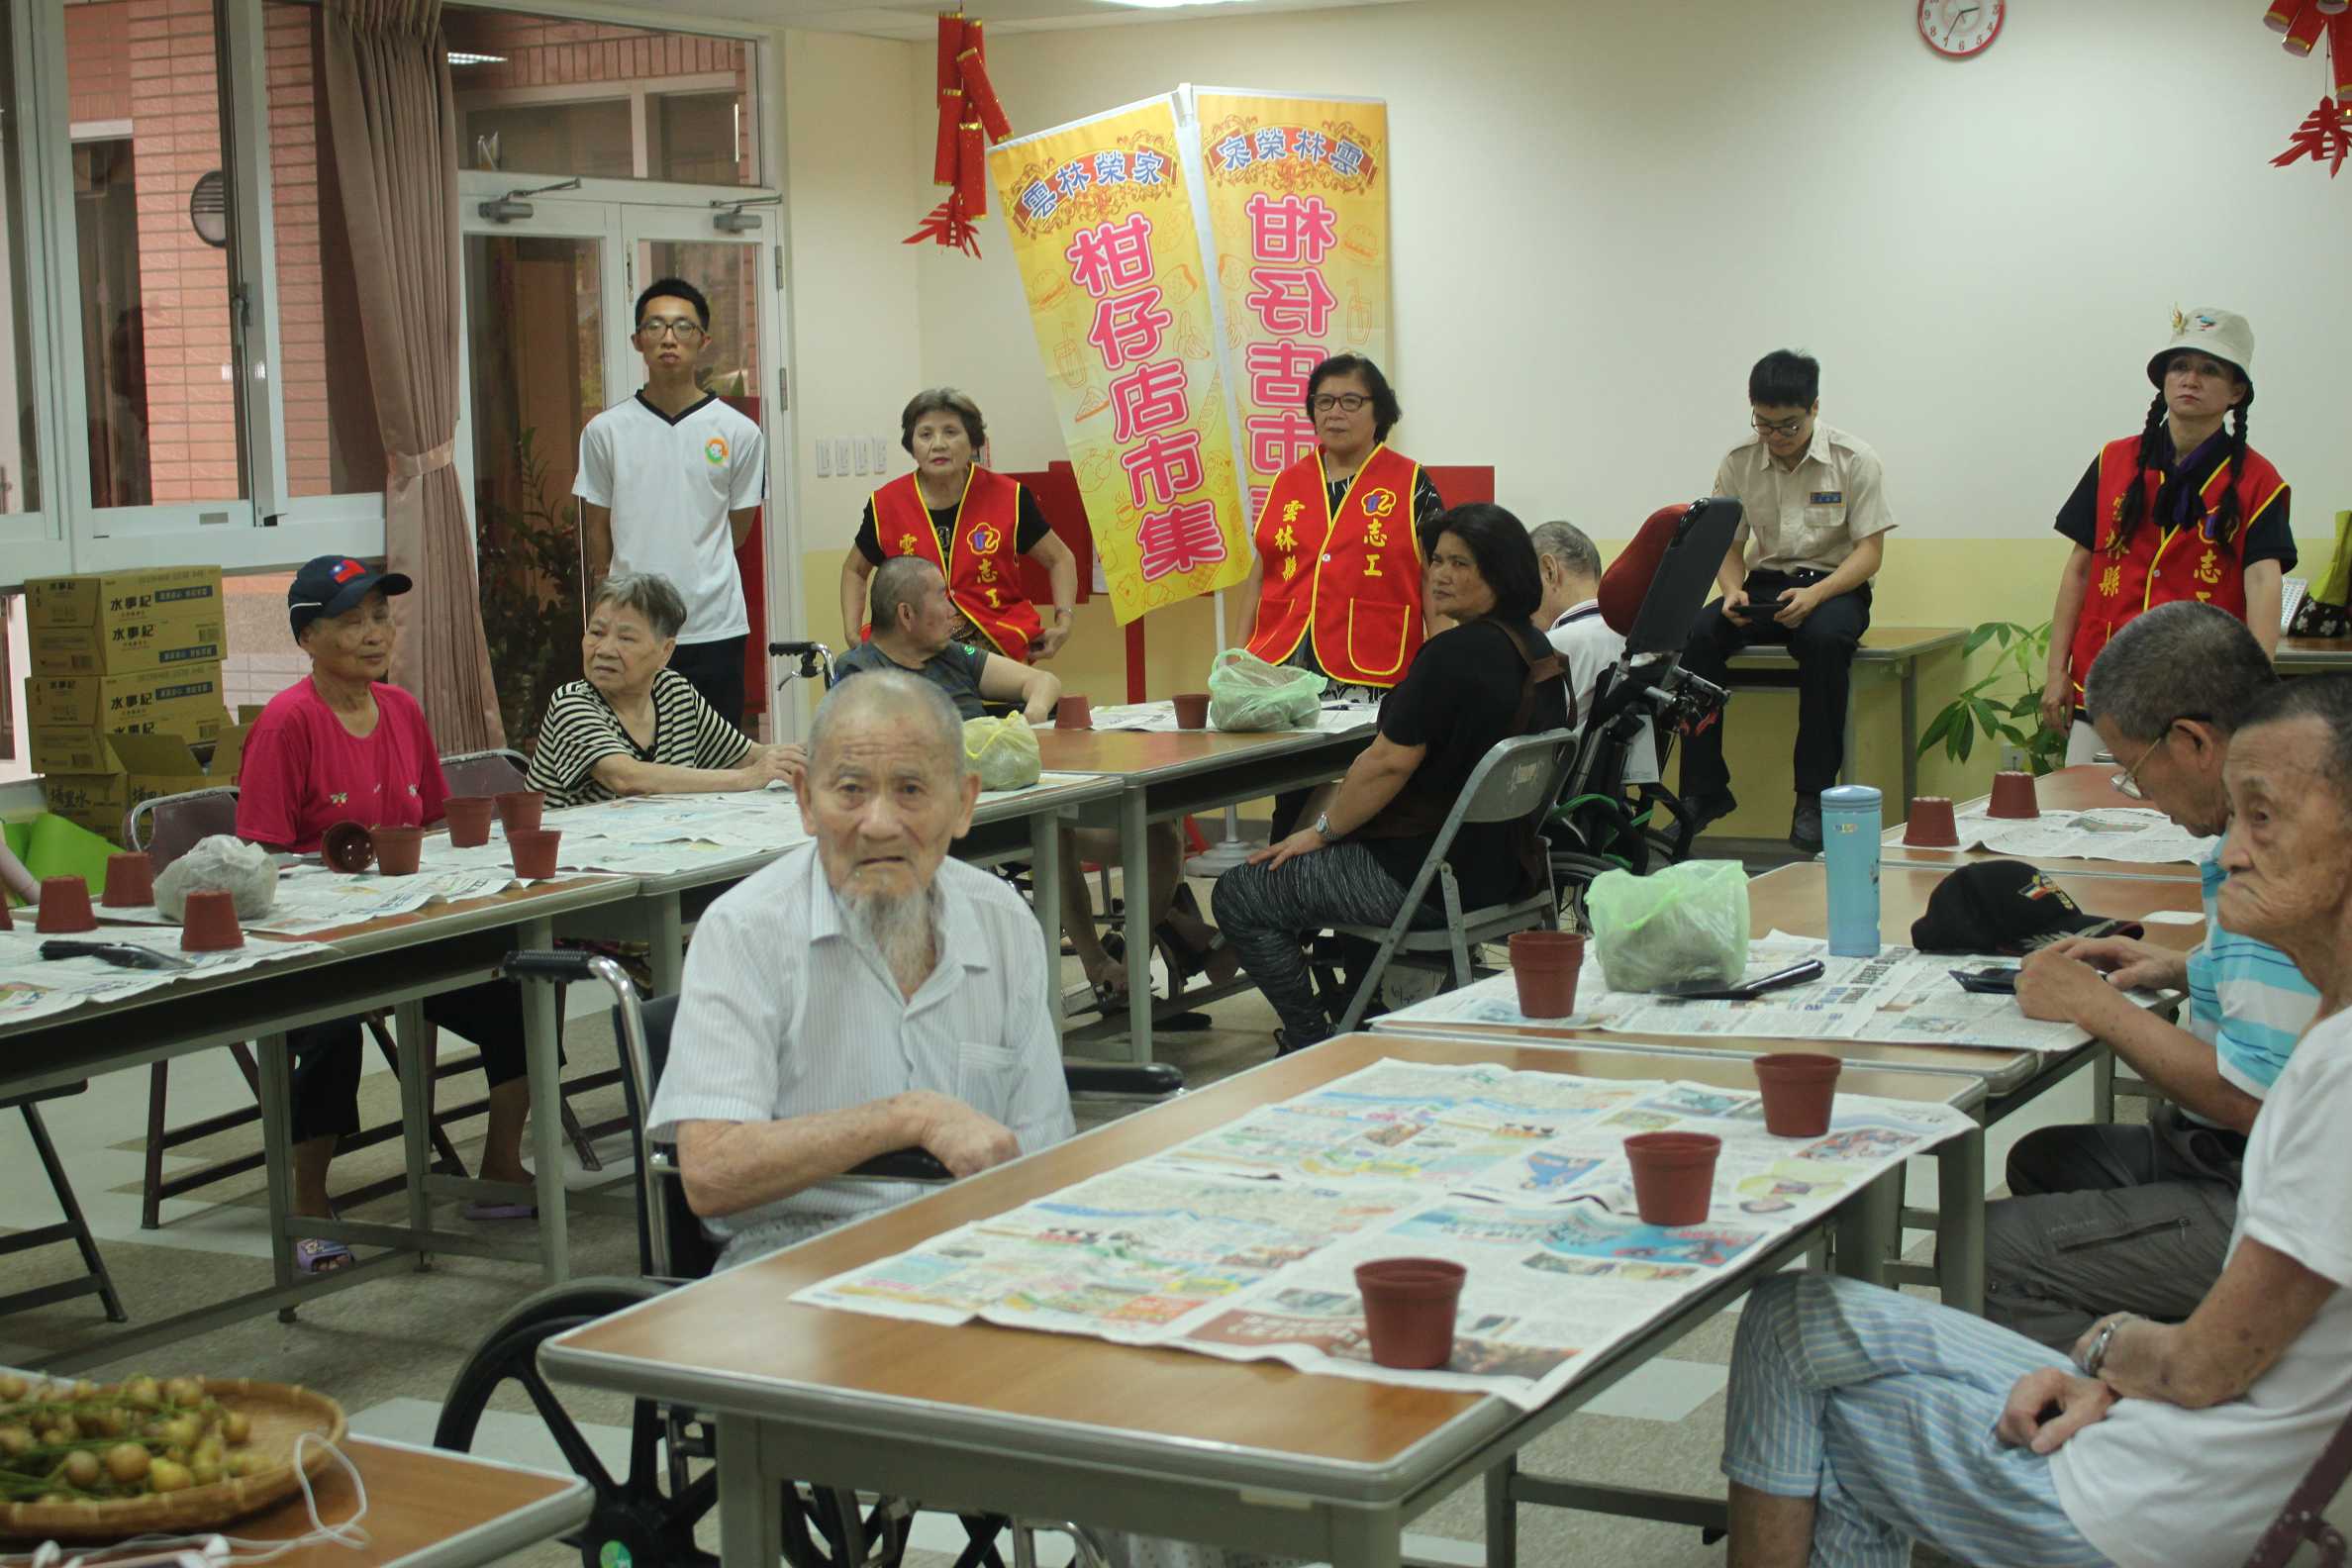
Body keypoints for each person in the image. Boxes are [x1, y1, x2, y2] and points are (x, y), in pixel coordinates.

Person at [1720, 674, 2352, 1568]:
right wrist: (2125, 1378)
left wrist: (2100, 1350)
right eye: (2232, 816)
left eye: (2263, 818)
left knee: (1799, 1352)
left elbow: (2205, 1368)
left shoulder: (2339, 1071)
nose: (2230, 852)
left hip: (2159, 1507)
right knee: (1798, 1321)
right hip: (2213, 1449)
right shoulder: (2333, 1027)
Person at [645, 671, 1071, 1268]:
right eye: (850, 790)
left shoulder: (1003, 922)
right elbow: (713, 1171)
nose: (878, 822)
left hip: (978, 1247)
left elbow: (1044, 1151)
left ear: (964, 803)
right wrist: (908, 1118)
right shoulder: (744, 930)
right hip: (798, 1261)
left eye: (911, 790)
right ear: (805, 802)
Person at [1994, 603, 2317, 1346]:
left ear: (2193, 741)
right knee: (2046, 1161)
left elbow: (2253, 1100)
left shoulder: (2273, 859)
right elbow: (2287, 992)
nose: (2140, 797)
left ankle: (2137, 1420)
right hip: (2257, 1162)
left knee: (1987, 1250)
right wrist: (2183, 964)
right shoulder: (2287, 808)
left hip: (2277, 1200)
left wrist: (2100, 1009)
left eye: (2134, 772)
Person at [234, 556, 548, 1271]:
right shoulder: (288, 723)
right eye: (351, 622)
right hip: (325, 944)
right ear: (308, 638)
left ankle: (500, 1167)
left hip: (411, 928)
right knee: (329, 1026)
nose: (375, 634)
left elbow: (437, 826)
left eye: (380, 617)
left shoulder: (402, 709)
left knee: (525, 982)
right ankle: (308, 1203)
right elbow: (261, 862)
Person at [1214, 504, 1570, 1054]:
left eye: (1461, 563)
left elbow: (1386, 764)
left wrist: (1321, 833)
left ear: (1501, 571)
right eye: (1437, 561)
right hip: (1507, 873)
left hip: (1420, 879)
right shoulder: (1541, 653)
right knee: (1309, 870)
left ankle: (1312, 1041)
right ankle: (1360, 1005)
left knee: (1242, 892)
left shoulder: (1450, 656)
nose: (1441, 575)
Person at [837, 558, 1227, 1012]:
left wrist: (1032, 718)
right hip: (953, 824)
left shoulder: (952, 655)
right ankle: (1097, 962)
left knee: (1161, 831)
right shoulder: (860, 673)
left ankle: (1128, 962)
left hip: (1020, 796)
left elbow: (1042, 680)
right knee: (1051, 830)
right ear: (906, 615)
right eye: (942, 597)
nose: (954, 609)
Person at [2043, 307, 2293, 766]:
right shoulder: (2111, 462)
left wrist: (2256, 691)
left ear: (2237, 391)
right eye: (2180, 367)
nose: (2190, 380)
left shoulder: (2259, 482)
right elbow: (2079, 569)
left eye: (2209, 370)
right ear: (2163, 380)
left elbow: (2263, 584)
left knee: (2184, 830)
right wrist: (2056, 670)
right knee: (2083, 816)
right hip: (2101, 685)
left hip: (2201, 695)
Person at [1678, 350, 1894, 853]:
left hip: (1834, 587)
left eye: (1788, 426)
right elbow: (1725, 547)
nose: (1774, 438)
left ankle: (1811, 798)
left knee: (1824, 641)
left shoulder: (1855, 459)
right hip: (1766, 583)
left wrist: (1817, 593)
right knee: (1698, 634)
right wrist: (1732, 590)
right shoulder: (1738, 461)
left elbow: (1870, 552)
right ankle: (1703, 790)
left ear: (1814, 409)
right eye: (1764, 424)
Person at [576, 278, 767, 729]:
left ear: (703, 340)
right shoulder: (605, 431)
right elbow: (597, 531)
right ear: (637, 340)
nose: (668, 338)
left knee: (718, 763)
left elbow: (737, 531)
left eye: (683, 327)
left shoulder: (740, 432)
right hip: (632, 630)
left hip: (714, 625)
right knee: (636, 762)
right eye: (656, 326)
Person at [528, 572, 804, 810]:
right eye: (597, 633)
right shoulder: (572, 702)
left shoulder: (673, 692)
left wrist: (818, 753)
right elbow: (626, 777)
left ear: (665, 651)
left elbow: (747, 755)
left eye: (625, 638)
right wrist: (746, 779)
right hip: (562, 861)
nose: (604, 650)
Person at [839, 388, 1078, 663]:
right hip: (910, 650)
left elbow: (1060, 558)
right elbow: (854, 570)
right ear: (911, 445)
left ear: (973, 441)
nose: (938, 444)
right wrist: (852, 633)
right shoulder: (885, 504)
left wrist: (1064, 622)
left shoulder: (1009, 497)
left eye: (951, 432)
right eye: (926, 434)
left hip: (996, 646)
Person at [1531, 519, 1657, 787]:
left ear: (1549, 570)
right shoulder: (1636, 641)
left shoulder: (1557, 645)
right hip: (1608, 797)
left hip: (1549, 798)